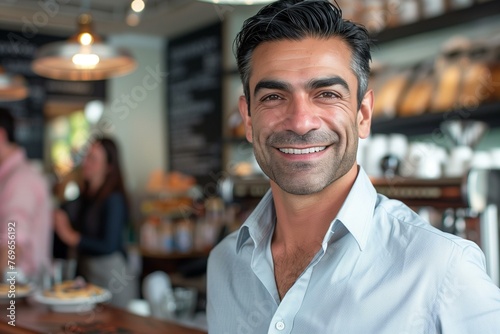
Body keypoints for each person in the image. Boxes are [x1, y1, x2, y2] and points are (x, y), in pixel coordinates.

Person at [206, 1, 500, 333]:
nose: (301, 123)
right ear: (247, 118)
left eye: (327, 94)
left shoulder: (443, 267)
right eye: (274, 96)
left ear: (363, 114)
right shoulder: (224, 265)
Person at [53, 136, 138, 308]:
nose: (85, 162)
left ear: (108, 167)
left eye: (93, 158)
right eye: (86, 156)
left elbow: (109, 245)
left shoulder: (114, 199)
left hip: (113, 278)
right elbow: (60, 207)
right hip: (89, 278)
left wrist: (72, 237)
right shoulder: (85, 198)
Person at [0, 107, 52, 283]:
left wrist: (7, 287)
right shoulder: (11, 176)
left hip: (21, 295)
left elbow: (13, 239)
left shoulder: (20, 178)